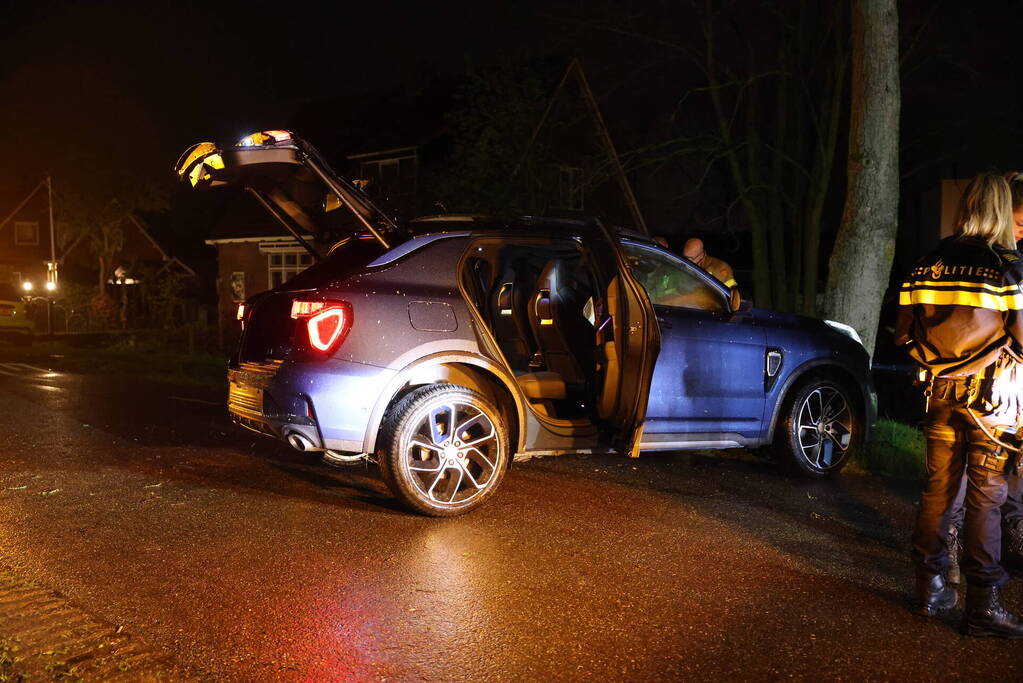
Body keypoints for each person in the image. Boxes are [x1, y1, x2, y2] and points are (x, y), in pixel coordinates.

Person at [895, 172, 1023, 638]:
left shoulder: (928, 262)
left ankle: (929, 591)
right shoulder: (1008, 267)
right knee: (987, 500)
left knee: (938, 493)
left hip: (939, 397)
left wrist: (941, 364)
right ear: (1001, 209)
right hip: (992, 403)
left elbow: (904, 336)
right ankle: (983, 607)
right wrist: (986, 356)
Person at [946, 172, 1023, 583]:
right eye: (1019, 221)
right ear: (999, 214)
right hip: (990, 384)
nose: (1021, 230)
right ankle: (966, 561)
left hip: (1001, 381)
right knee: (978, 478)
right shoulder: (997, 262)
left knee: (1009, 473)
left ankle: (1009, 537)